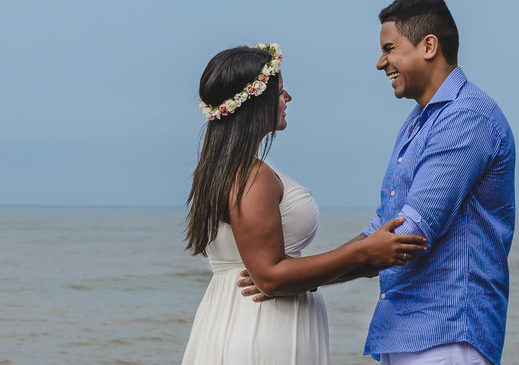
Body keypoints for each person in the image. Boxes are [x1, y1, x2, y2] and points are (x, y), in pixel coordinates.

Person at [181, 43, 427, 365]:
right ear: (255, 102)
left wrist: (366, 255)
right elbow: (270, 277)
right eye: (280, 91)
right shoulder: (253, 177)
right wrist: (363, 253)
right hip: (262, 326)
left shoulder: (223, 172)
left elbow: (278, 271)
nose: (288, 97)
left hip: (235, 316)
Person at [355, 0, 516, 365]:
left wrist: (298, 276)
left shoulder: (467, 117)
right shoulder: (418, 121)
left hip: (447, 337)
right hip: (405, 333)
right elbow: (382, 227)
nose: (381, 63)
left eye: (389, 49)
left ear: (429, 46)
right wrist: (298, 276)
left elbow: (408, 234)